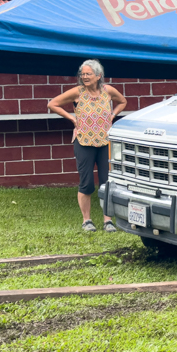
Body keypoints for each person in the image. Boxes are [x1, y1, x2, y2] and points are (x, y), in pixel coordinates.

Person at [48, 60, 127, 232]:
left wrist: (112, 115)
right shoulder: (77, 92)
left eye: (88, 74)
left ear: (98, 76)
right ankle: (87, 220)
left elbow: (123, 101)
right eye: (82, 74)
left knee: (107, 181)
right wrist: (72, 118)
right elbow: (52, 104)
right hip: (84, 141)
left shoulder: (108, 91)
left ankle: (108, 220)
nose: (84, 77)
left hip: (105, 141)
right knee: (87, 182)